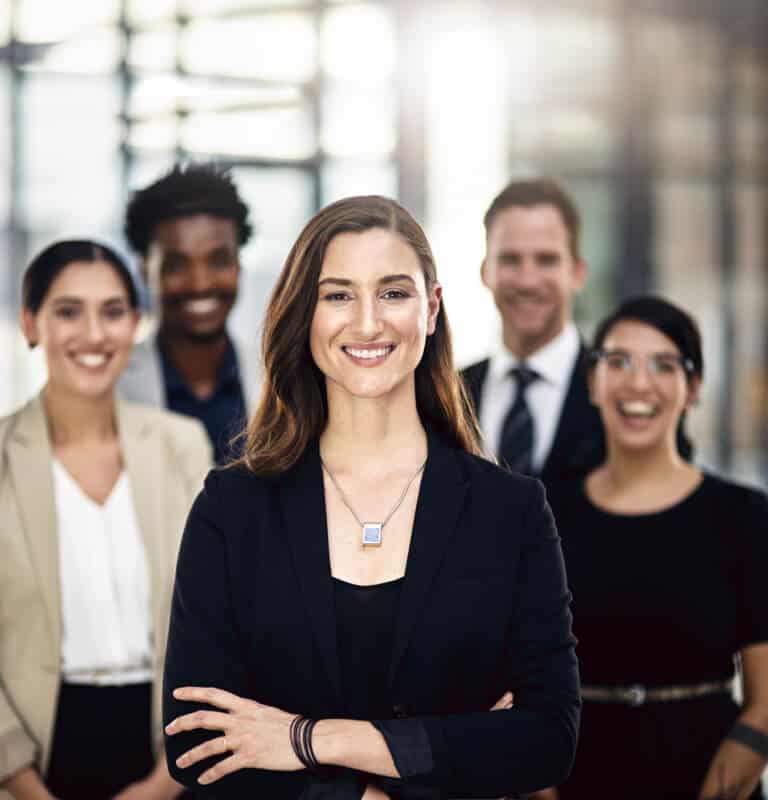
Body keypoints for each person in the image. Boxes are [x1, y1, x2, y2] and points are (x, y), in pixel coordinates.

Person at [161, 195, 580, 799]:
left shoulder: (509, 511)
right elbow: (196, 743)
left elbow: (546, 739)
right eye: (338, 295)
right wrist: (405, 775)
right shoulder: (233, 508)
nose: (366, 323)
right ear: (306, 314)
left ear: (431, 308)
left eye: (393, 293)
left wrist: (307, 739)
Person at [0, 240, 211, 800]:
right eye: (68, 311)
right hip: (24, 760)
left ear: (137, 323)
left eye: (113, 311)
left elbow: (219, 629)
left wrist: (162, 784)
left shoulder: (182, 446)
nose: (95, 335)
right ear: (31, 323)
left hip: (166, 748)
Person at [545, 296, 768, 799]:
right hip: (573, 782)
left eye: (664, 365)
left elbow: (766, 701)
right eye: (618, 361)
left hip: (709, 780)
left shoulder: (743, 516)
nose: (638, 383)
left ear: (693, 389)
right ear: (593, 383)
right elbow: (512, 683)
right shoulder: (541, 514)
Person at [461, 178, 605, 482]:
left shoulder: (617, 392)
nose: (528, 281)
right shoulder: (446, 395)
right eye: (511, 260)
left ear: (577, 273)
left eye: (546, 260)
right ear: (486, 271)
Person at [119, 163, 258, 463]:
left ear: (238, 265)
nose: (201, 283)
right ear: (145, 271)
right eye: (177, 265)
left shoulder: (285, 379)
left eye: (219, 261)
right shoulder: (113, 385)